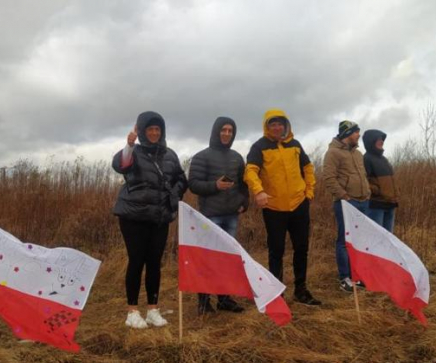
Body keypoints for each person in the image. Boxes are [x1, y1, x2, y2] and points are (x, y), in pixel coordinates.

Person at [112, 111, 188, 328]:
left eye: (158, 129)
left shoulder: (170, 155)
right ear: (143, 131)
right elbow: (120, 166)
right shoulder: (133, 152)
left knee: (155, 263)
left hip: (160, 217)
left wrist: (174, 195)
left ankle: (153, 309)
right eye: (150, 129)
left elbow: (181, 180)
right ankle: (132, 311)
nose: (154, 133)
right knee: (137, 261)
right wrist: (129, 144)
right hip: (133, 217)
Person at [244, 109, 320, 305]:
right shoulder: (259, 147)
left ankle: (301, 290)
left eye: (280, 124)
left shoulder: (295, 145)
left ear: (286, 125)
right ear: (266, 126)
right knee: (276, 251)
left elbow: (308, 168)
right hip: (274, 208)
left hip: (299, 205)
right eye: (273, 124)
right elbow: (251, 171)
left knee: (301, 248)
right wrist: (259, 191)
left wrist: (308, 192)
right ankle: (277, 294)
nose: (277, 128)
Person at [188, 116, 248, 315]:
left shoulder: (237, 158)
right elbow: (194, 184)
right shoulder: (201, 157)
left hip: (231, 216)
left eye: (230, 131)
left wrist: (244, 203)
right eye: (223, 130)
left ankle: (224, 299)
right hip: (210, 217)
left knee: (227, 260)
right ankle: (203, 302)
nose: (227, 134)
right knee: (207, 260)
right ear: (216, 131)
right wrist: (215, 185)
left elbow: (243, 184)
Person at [322, 120, 371, 293]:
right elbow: (328, 178)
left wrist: (367, 193)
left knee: (358, 241)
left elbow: (363, 175)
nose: (359, 135)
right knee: (344, 241)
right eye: (356, 132)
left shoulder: (358, 154)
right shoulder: (333, 153)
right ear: (347, 134)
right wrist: (344, 196)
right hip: (346, 202)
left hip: (363, 201)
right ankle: (345, 278)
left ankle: (357, 275)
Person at [363, 129, 399, 233]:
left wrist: (396, 193)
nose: (381, 142)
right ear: (370, 141)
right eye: (378, 139)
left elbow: (390, 180)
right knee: (376, 237)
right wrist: (378, 191)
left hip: (390, 204)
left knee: (388, 238)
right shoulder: (366, 159)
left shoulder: (384, 159)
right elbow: (364, 181)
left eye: (382, 140)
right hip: (376, 205)